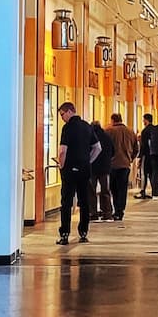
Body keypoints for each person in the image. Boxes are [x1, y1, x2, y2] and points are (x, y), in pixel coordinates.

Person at [55, 101, 97, 244]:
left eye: (62, 115)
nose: (62, 118)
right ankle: (83, 231)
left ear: (69, 111)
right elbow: (98, 148)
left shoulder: (67, 128)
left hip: (69, 170)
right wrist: (88, 160)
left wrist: (61, 165)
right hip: (84, 169)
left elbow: (62, 151)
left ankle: (64, 233)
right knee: (84, 201)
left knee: (66, 201)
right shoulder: (87, 126)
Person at [106, 112, 138, 221]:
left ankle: (116, 209)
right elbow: (136, 149)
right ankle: (121, 210)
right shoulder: (130, 131)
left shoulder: (109, 131)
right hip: (125, 165)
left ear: (113, 120)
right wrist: (130, 159)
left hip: (112, 165)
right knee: (122, 189)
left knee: (113, 189)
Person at [90, 114, 115, 221]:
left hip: (92, 167)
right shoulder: (107, 137)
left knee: (91, 191)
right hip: (105, 168)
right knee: (105, 191)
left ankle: (93, 213)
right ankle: (107, 213)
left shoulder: (90, 137)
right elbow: (113, 151)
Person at [136, 112, 157, 199]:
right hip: (154, 155)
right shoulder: (155, 129)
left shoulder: (145, 131)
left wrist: (140, 157)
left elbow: (143, 145)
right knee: (153, 174)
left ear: (147, 120)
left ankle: (143, 191)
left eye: (144, 120)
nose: (143, 121)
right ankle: (154, 191)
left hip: (146, 155)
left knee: (144, 174)